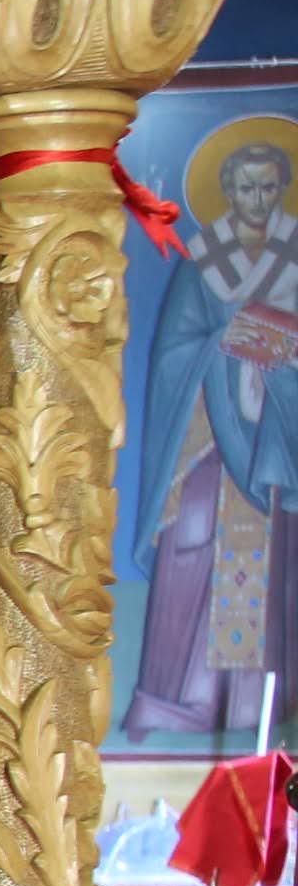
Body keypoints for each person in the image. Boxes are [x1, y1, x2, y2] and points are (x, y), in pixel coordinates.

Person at [122, 136, 298, 742]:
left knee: (273, 558)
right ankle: (184, 696)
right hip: (207, 441)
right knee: (192, 533)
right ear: (228, 192)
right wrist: (225, 346)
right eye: (246, 188)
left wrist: (281, 357)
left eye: (268, 187)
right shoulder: (202, 263)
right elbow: (175, 353)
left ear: (282, 189)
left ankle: (256, 706)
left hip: (274, 442)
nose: (257, 199)